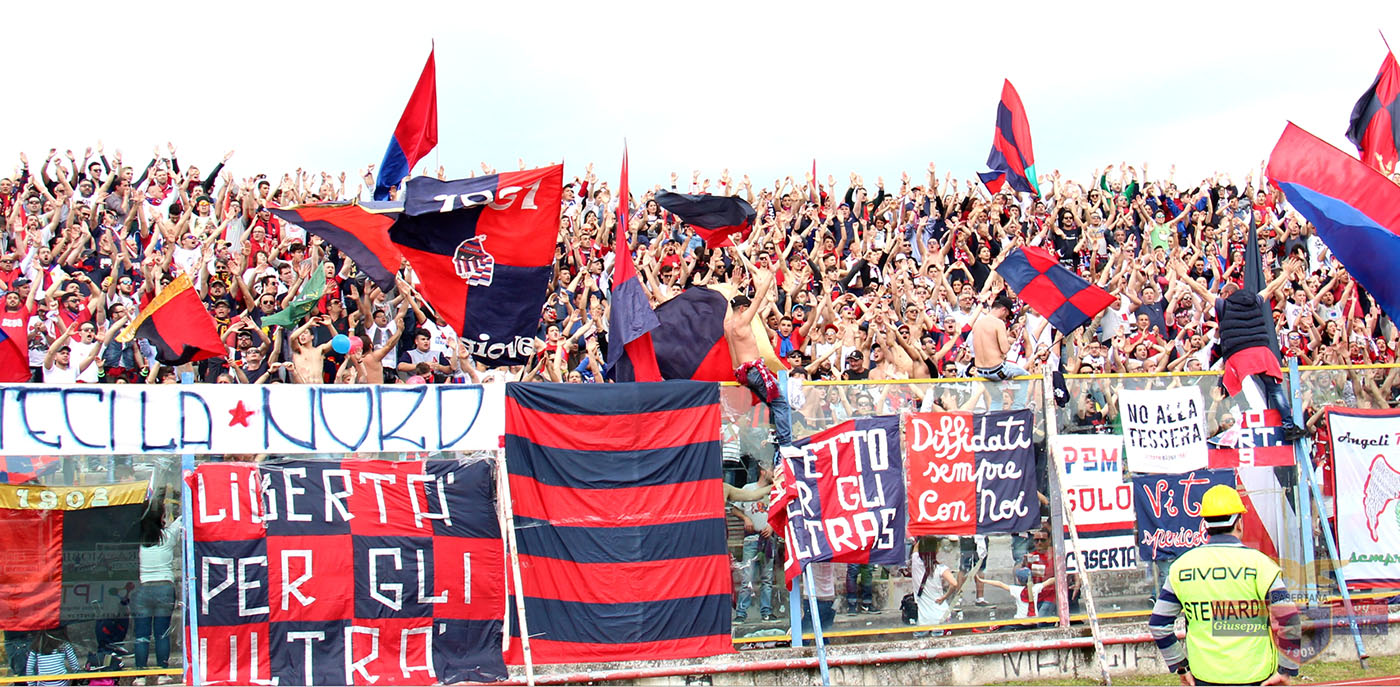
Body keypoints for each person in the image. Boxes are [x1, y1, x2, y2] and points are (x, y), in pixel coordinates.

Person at [1148, 485, 1301, 686]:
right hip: (1256, 677)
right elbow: (1289, 620)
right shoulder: (1259, 564)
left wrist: (1180, 666)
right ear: (1239, 523)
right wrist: (1286, 669)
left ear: (1205, 524)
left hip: (1204, 678)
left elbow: (1159, 624)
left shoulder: (1181, 567)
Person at [132, 496, 182, 684]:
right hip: (164, 589)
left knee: (142, 636)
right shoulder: (168, 536)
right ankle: (163, 673)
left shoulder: (138, 542)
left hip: (143, 589)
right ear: (161, 517)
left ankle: (139, 676)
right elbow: (182, 520)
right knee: (162, 634)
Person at [730, 466, 776, 623]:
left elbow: (781, 511)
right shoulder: (748, 489)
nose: (774, 472)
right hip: (751, 537)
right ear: (763, 471)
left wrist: (772, 525)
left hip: (768, 539)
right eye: (771, 469)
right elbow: (734, 509)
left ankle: (766, 611)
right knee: (747, 576)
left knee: (767, 577)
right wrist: (746, 518)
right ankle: (741, 613)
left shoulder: (775, 491)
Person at [910, 538, 957, 628]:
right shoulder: (940, 568)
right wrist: (945, 597)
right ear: (936, 550)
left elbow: (916, 547)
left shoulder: (915, 562)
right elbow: (954, 583)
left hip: (924, 618)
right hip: (940, 615)